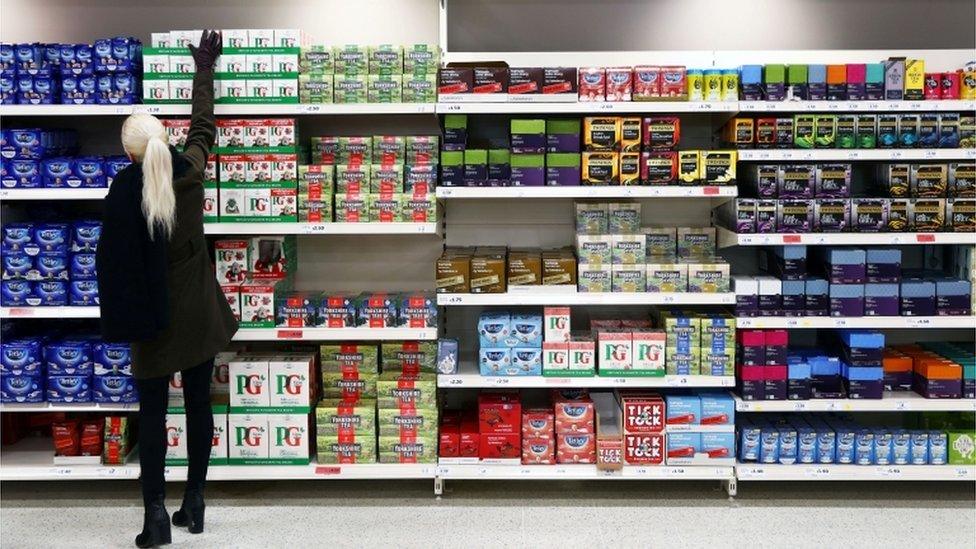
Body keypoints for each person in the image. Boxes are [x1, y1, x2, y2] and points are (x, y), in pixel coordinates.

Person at [96, 30, 237, 548]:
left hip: (152, 320)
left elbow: (109, 262)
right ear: (165, 140)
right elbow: (204, 126)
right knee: (199, 405)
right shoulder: (192, 173)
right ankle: (195, 503)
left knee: (152, 413)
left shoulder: (122, 191)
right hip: (198, 312)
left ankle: (155, 516)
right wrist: (205, 67)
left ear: (129, 154)